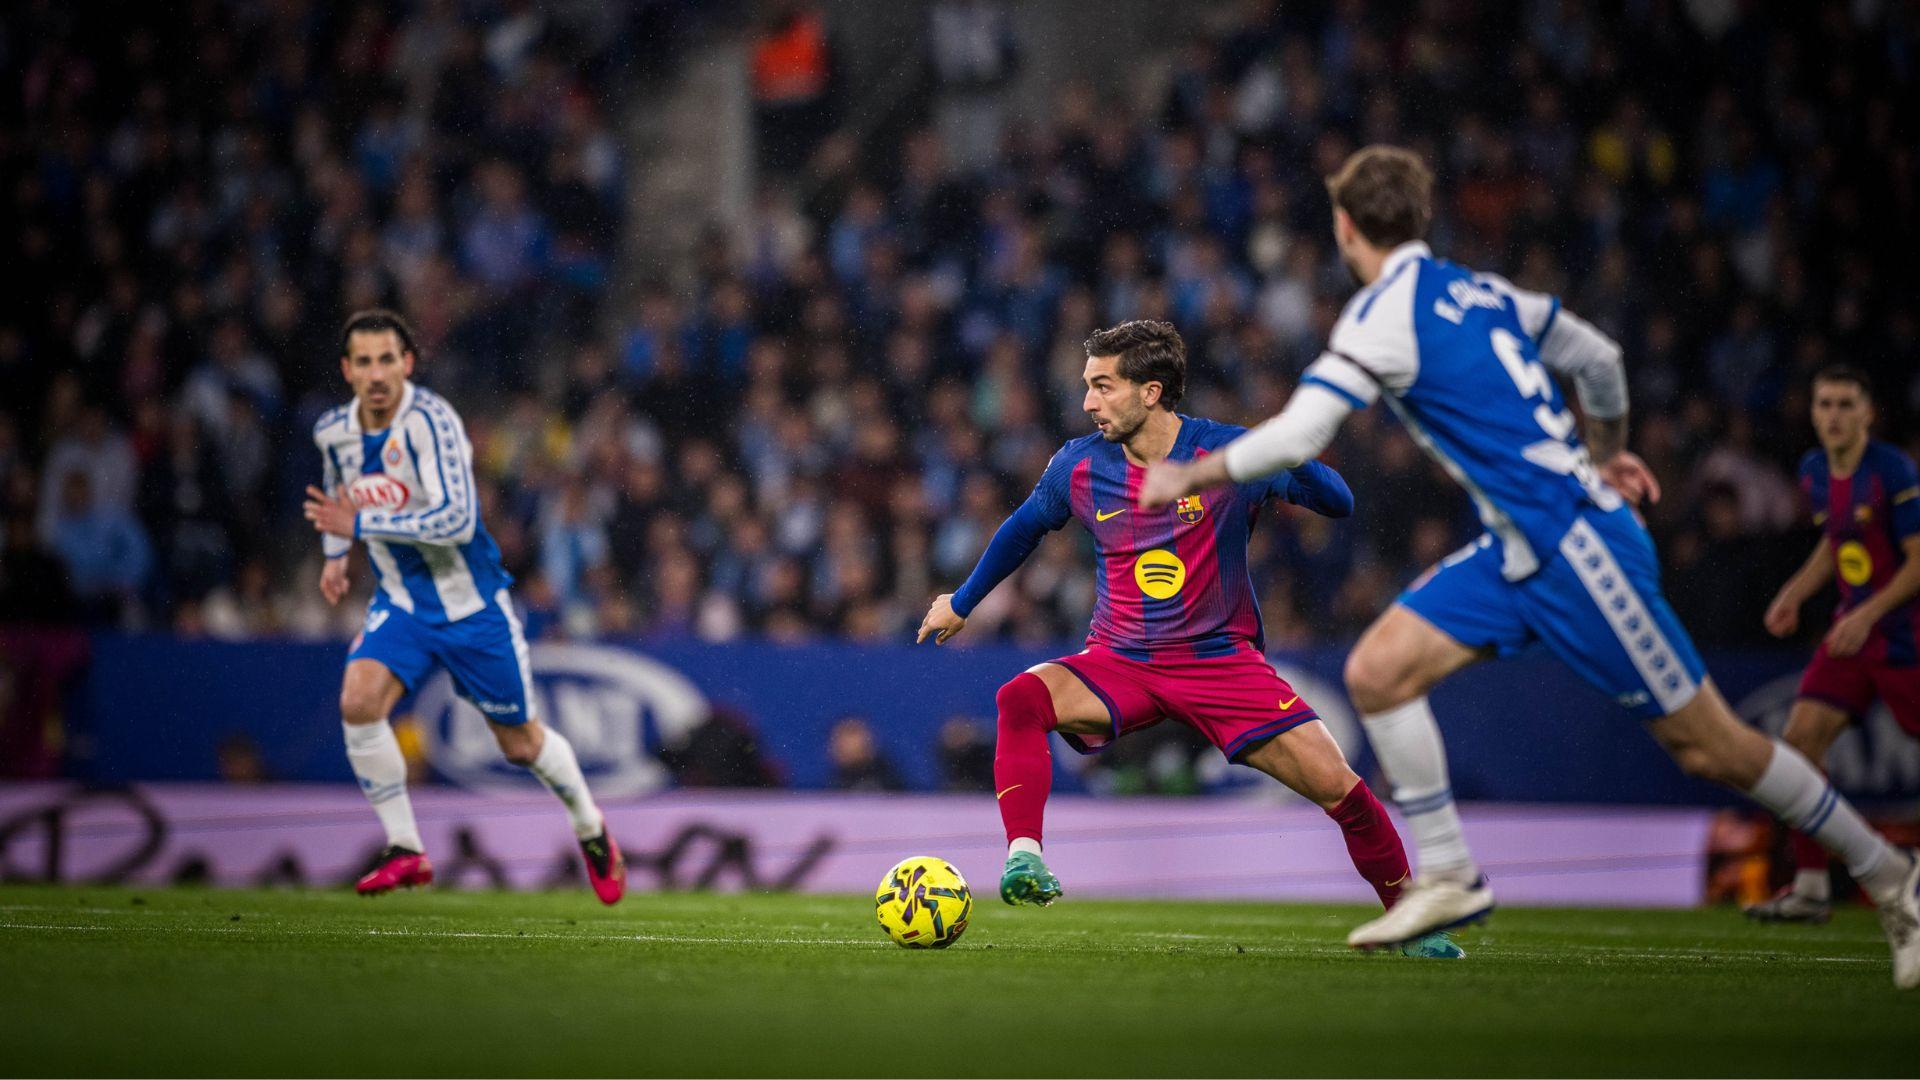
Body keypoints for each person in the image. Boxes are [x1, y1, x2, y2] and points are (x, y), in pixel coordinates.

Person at [1138, 146, 1920, 987]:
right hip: (1521, 547)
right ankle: (1447, 875)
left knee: (1714, 747)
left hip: (1577, 550)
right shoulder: (1485, 290)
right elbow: (1600, 360)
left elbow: (1297, 438)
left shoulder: (1379, 316)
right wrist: (1607, 451)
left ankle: (1892, 879)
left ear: (1345, 226)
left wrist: (1193, 472)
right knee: (1379, 670)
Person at [917, 319, 1463, 959]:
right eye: (1087, 386)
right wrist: (961, 601)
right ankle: (1024, 858)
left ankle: (1410, 922)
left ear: (1151, 392)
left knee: (1343, 790)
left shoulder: (1231, 455)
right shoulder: (1078, 465)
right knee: (1021, 697)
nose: (1088, 402)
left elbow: (1338, 503)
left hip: (1220, 666)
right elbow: (1022, 528)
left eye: (1102, 386)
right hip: (1120, 660)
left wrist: (1290, 452)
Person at [303, 309, 625, 903]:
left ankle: (591, 826)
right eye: (364, 362)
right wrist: (334, 555)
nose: (376, 374)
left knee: (521, 745)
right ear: (348, 369)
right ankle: (407, 849)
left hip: (471, 606)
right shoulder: (333, 432)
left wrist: (362, 523)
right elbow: (336, 500)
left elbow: (456, 520)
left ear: (408, 364)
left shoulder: (434, 423)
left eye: (387, 360)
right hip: (401, 602)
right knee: (358, 699)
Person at [1747, 367, 1920, 923]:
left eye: (1847, 404)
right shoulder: (1815, 470)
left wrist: (1869, 613)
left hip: (1902, 637)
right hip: (1852, 637)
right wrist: (1795, 593)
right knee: (1796, 745)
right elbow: (1837, 540)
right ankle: (1813, 885)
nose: (1835, 416)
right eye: (1825, 404)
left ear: (1868, 413)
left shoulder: (1893, 471)